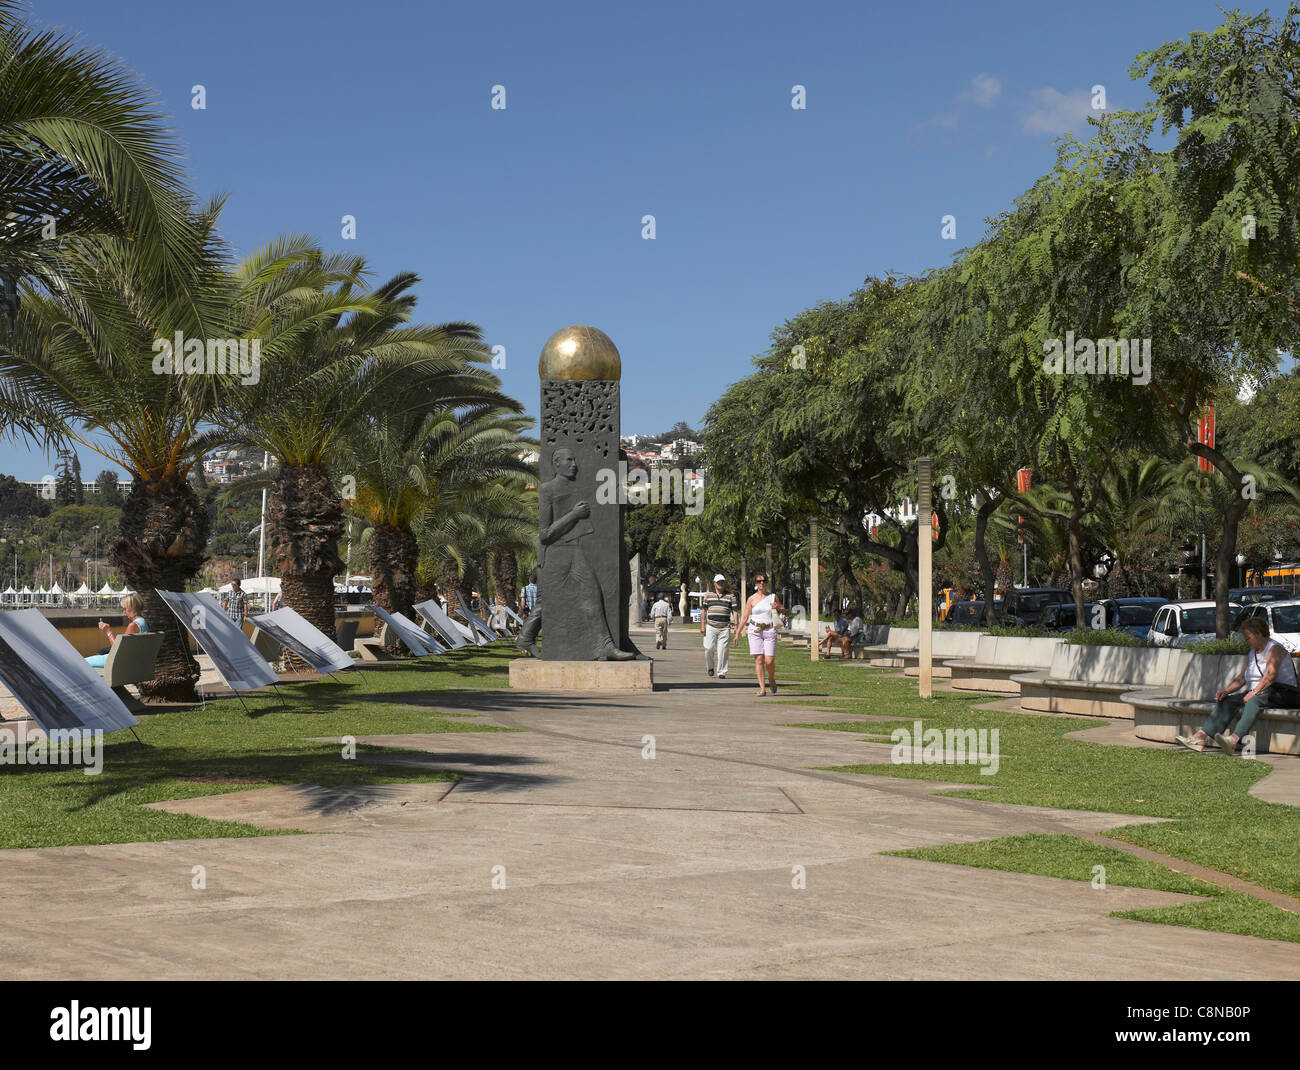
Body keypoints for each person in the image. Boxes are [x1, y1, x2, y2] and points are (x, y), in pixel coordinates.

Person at [1178, 617, 1300, 754]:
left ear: (1258, 633)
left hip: (1285, 694)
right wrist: (1226, 691)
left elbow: (1271, 675)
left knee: (1255, 699)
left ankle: (1233, 740)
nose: (1246, 641)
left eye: (1248, 638)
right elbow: (1241, 678)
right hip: (1262, 692)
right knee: (1228, 701)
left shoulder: (1274, 648)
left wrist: (1254, 692)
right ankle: (1200, 737)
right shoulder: (1252, 652)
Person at [734, 573, 787, 696]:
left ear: (767, 583)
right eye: (759, 581)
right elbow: (745, 617)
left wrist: (778, 606)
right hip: (755, 630)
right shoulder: (751, 599)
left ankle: (772, 679)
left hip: (769, 629)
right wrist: (737, 633)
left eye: (764, 581)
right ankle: (762, 689)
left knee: (769, 661)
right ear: (755, 584)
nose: (761, 583)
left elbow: (784, 610)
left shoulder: (773, 597)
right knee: (759, 660)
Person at [85, 594, 148, 668]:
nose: (124, 611)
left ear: (132, 608)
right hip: (134, 661)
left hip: (119, 662)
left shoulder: (133, 625)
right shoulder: (143, 622)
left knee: (83, 661)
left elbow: (118, 651)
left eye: (125, 608)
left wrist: (108, 631)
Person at [700, 574, 735, 678]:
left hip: (724, 627)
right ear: (714, 583)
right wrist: (702, 625)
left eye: (722, 582)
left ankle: (722, 672)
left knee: (723, 650)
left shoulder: (730, 596)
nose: (721, 584)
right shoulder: (708, 595)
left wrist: (736, 625)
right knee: (708, 648)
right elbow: (704, 610)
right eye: (718, 582)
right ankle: (710, 667)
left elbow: (735, 611)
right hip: (710, 626)